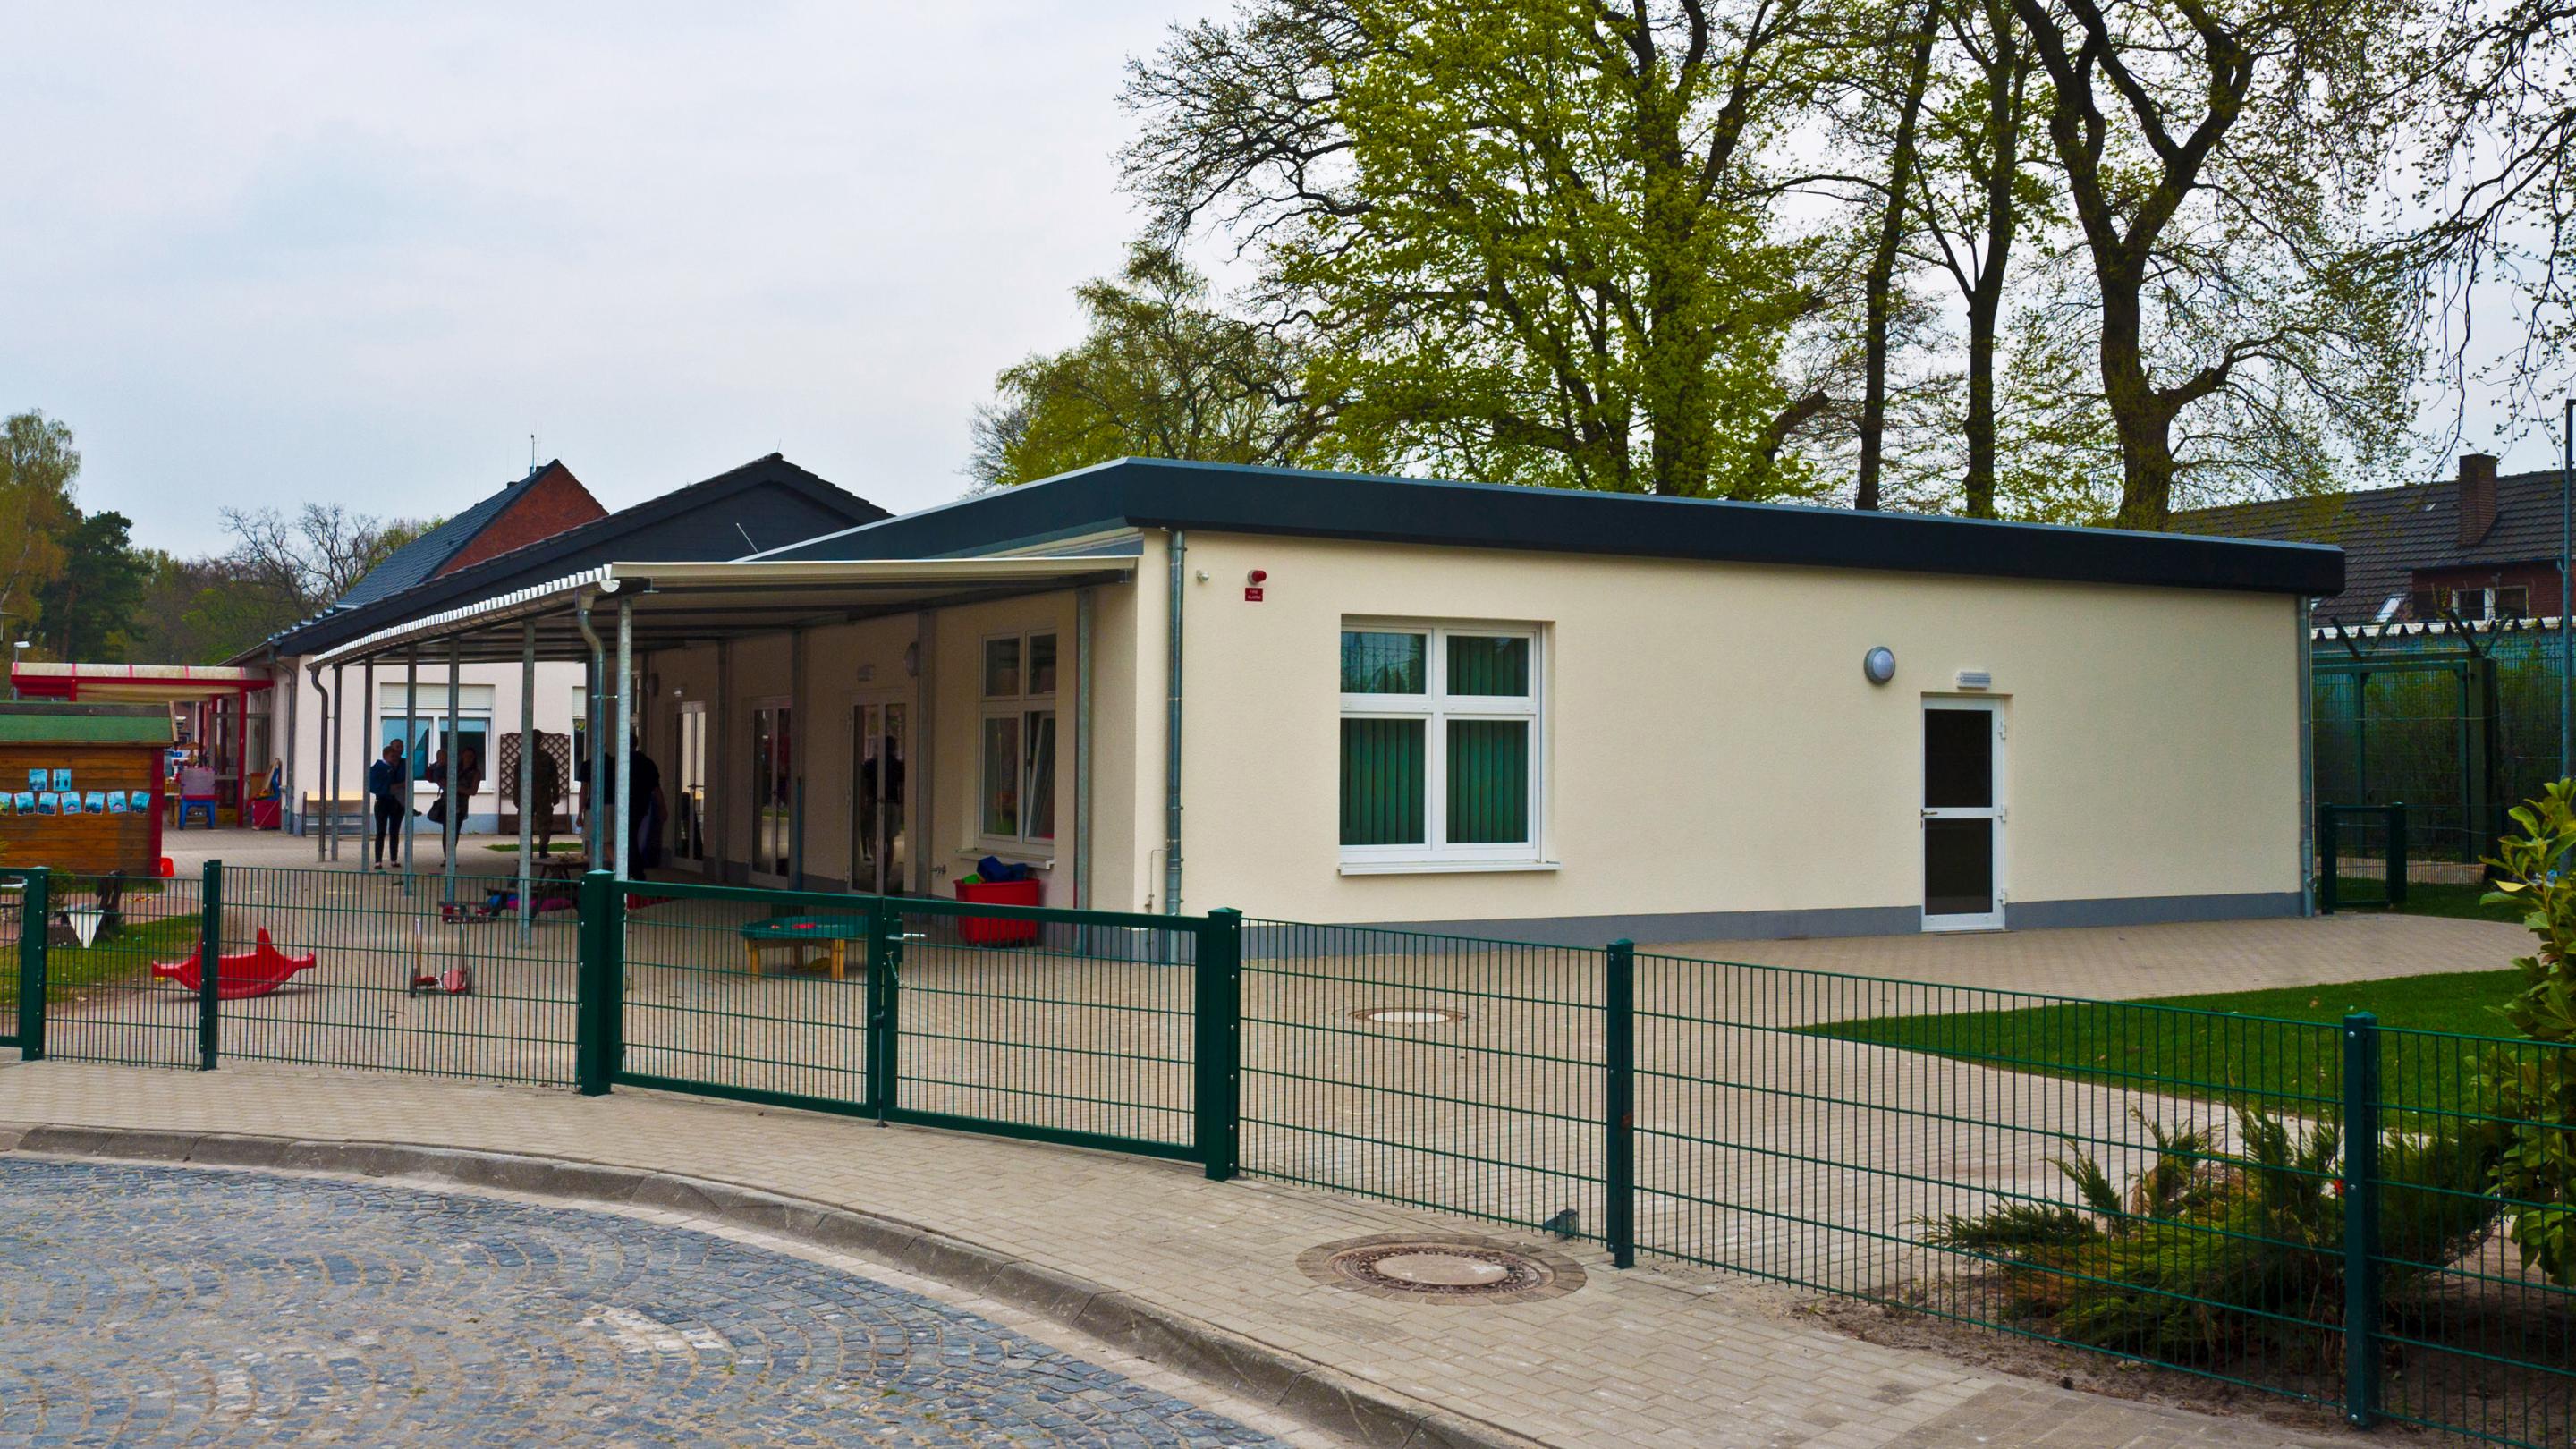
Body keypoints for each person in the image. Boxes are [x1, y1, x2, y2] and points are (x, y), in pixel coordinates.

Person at [367, 741, 408, 870]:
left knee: (394, 831)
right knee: (381, 831)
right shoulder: (379, 768)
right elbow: (376, 785)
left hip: (396, 802)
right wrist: (393, 787)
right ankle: (378, 861)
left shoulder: (402, 765)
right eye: (393, 756)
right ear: (386, 755)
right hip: (383, 801)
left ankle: (393, 859)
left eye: (396, 756)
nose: (395, 758)